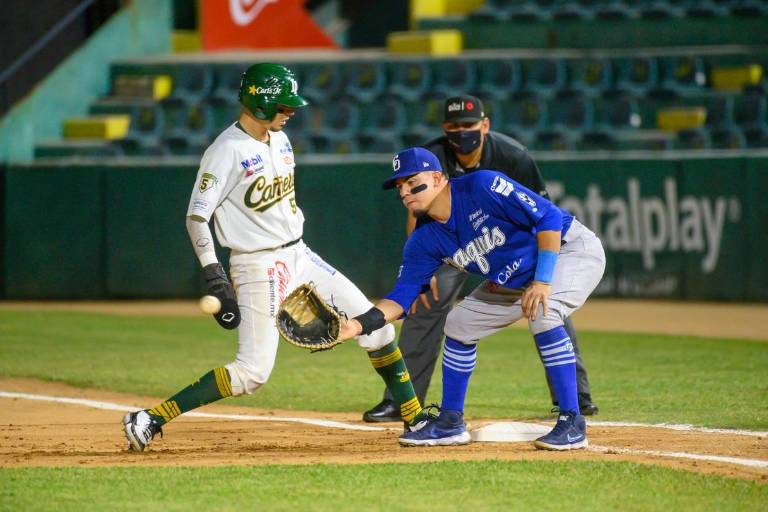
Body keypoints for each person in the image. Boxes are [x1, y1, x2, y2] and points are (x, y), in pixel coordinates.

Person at [121, 63, 429, 452]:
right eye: (283, 105)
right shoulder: (225, 152)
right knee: (252, 373)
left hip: (300, 254)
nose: (291, 111)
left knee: (378, 328)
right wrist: (216, 277)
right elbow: (196, 216)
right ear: (260, 103)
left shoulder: (280, 140)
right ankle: (150, 419)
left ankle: (416, 419)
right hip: (256, 264)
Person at [339, 147, 606, 450]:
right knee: (459, 323)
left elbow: (548, 218)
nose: (405, 192)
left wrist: (543, 280)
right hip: (513, 279)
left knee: (544, 313)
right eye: (399, 186)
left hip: (569, 250)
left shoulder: (482, 186)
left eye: (412, 181)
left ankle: (573, 422)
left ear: (438, 177)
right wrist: (357, 326)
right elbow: (401, 298)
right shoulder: (423, 241)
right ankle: (451, 423)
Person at [363, 95, 598, 423]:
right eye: (453, 126)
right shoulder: (430, 158)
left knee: (547, 306)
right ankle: (412, 404)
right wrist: (419, 274)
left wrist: (542, 278)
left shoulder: (510, 157)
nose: (460, 132)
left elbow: (546, 217)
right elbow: (417, 223)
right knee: (436, 311)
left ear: (485, 126)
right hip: (462, 247)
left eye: (468, 125)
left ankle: (574, 402)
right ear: (444, 129)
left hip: (528, 247)